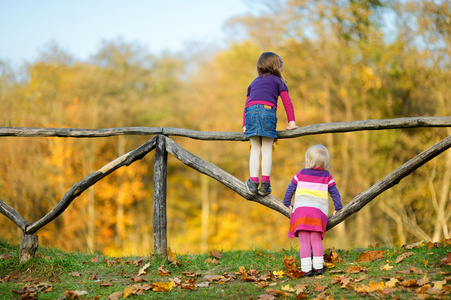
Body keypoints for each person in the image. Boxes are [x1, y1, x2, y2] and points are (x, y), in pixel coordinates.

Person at [243, 52, 297, 196]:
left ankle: (253, 183)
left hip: (250, 113)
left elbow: (247, 105)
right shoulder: (279, 82)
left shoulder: (253, 83)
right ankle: (265, 185)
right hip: (267, 111)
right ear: (277, 66)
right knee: (266, 148)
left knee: (255, 148)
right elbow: (288, 104)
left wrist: (244, 125)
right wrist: (291, 123)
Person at [283, 145, 342, 276]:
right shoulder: (327, 176)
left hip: (301, 213)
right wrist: (338, 207)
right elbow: (334, 193)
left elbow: (290, 189)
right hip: (317, 214)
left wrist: (287, 203)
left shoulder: (300, 173)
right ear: (325, 163)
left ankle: (306, 269)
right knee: (316, 240)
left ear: (308, 161)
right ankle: (318, 267)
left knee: (304, 242)